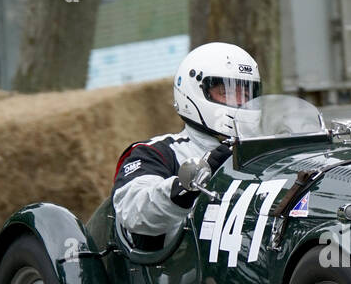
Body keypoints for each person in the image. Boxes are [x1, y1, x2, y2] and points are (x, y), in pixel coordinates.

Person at [112, 42, 261, 248]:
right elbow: (134, 211)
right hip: (179, 272)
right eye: (226, 92)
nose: (239, 103)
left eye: (245, 94)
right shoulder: (157, 152)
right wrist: (189, 182)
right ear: (194, 91)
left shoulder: (265, 153)